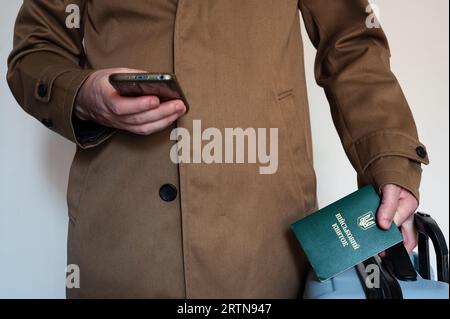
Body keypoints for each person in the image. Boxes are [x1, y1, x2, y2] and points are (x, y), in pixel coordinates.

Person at [7, 0, 429, 298]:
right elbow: (33, 52)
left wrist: (391, 160)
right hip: (123, 239)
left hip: (263, 239)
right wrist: (83, 94)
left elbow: (351, 40)